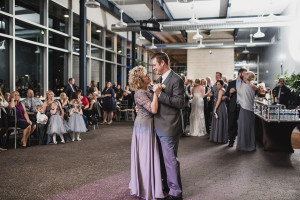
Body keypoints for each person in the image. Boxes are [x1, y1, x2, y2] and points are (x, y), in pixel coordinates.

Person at [128, 66, 164, 200]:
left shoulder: (148, 88)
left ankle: (152, 183)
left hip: (150, 124)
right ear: (139, 80)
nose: (149, 76)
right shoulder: (139, 93)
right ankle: (145, 187)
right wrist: (156, 93)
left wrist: (156, 91)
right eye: (145, 75)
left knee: (151, 155)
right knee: (145, 156)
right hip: (143, 126)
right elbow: (153, 109)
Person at [152, 52, 184, 199]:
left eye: (154, 65)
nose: (153, 68)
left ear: (162, 63)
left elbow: (180, 102)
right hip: (158, 125)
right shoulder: (159, 79)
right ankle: (167, 186)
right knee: (163, 161)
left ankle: (176, 193)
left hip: (169, 126)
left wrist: (160, 95)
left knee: (171, 161)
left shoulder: (176, 80)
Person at [226, 68, 247, 147]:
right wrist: (230, 92)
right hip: (233, 106)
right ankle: (231, 140)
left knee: (242, 124)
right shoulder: (232, 83)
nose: (246, 75)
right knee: (232, 124)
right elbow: (226, 94)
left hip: (243, 107)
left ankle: (242, 142)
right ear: (240, 74)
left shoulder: (246, 83)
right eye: (245, 74)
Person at [236, 71, 256, 151]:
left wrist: (239, 81)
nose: (243, 76)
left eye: (244, 75)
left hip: (244, 109)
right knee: (250, 128)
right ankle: (250, 144)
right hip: (250, 110)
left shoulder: (244, 86)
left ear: (246, 77)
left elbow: (238, 93)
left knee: (243, 127)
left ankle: (244, 145)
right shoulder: (252, 86)